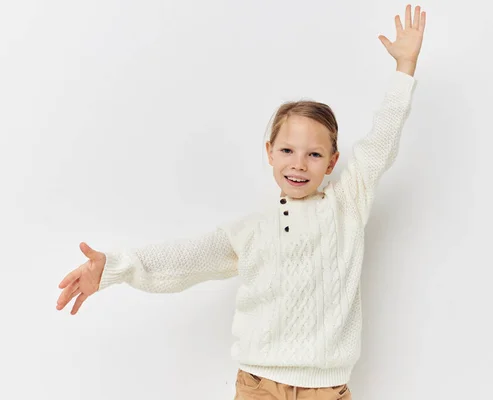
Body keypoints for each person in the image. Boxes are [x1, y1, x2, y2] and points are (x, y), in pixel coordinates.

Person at [56, 4, 426, 399]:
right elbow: (186, 260)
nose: (298, 164)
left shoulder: (347, 205)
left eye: (314, 155)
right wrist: (113, 268)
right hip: (256, 385)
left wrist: (405, 68)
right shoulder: (251, 230)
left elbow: (380, 143)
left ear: (333, 161)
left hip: (325, 388)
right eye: (287, 150)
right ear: (270, 152)